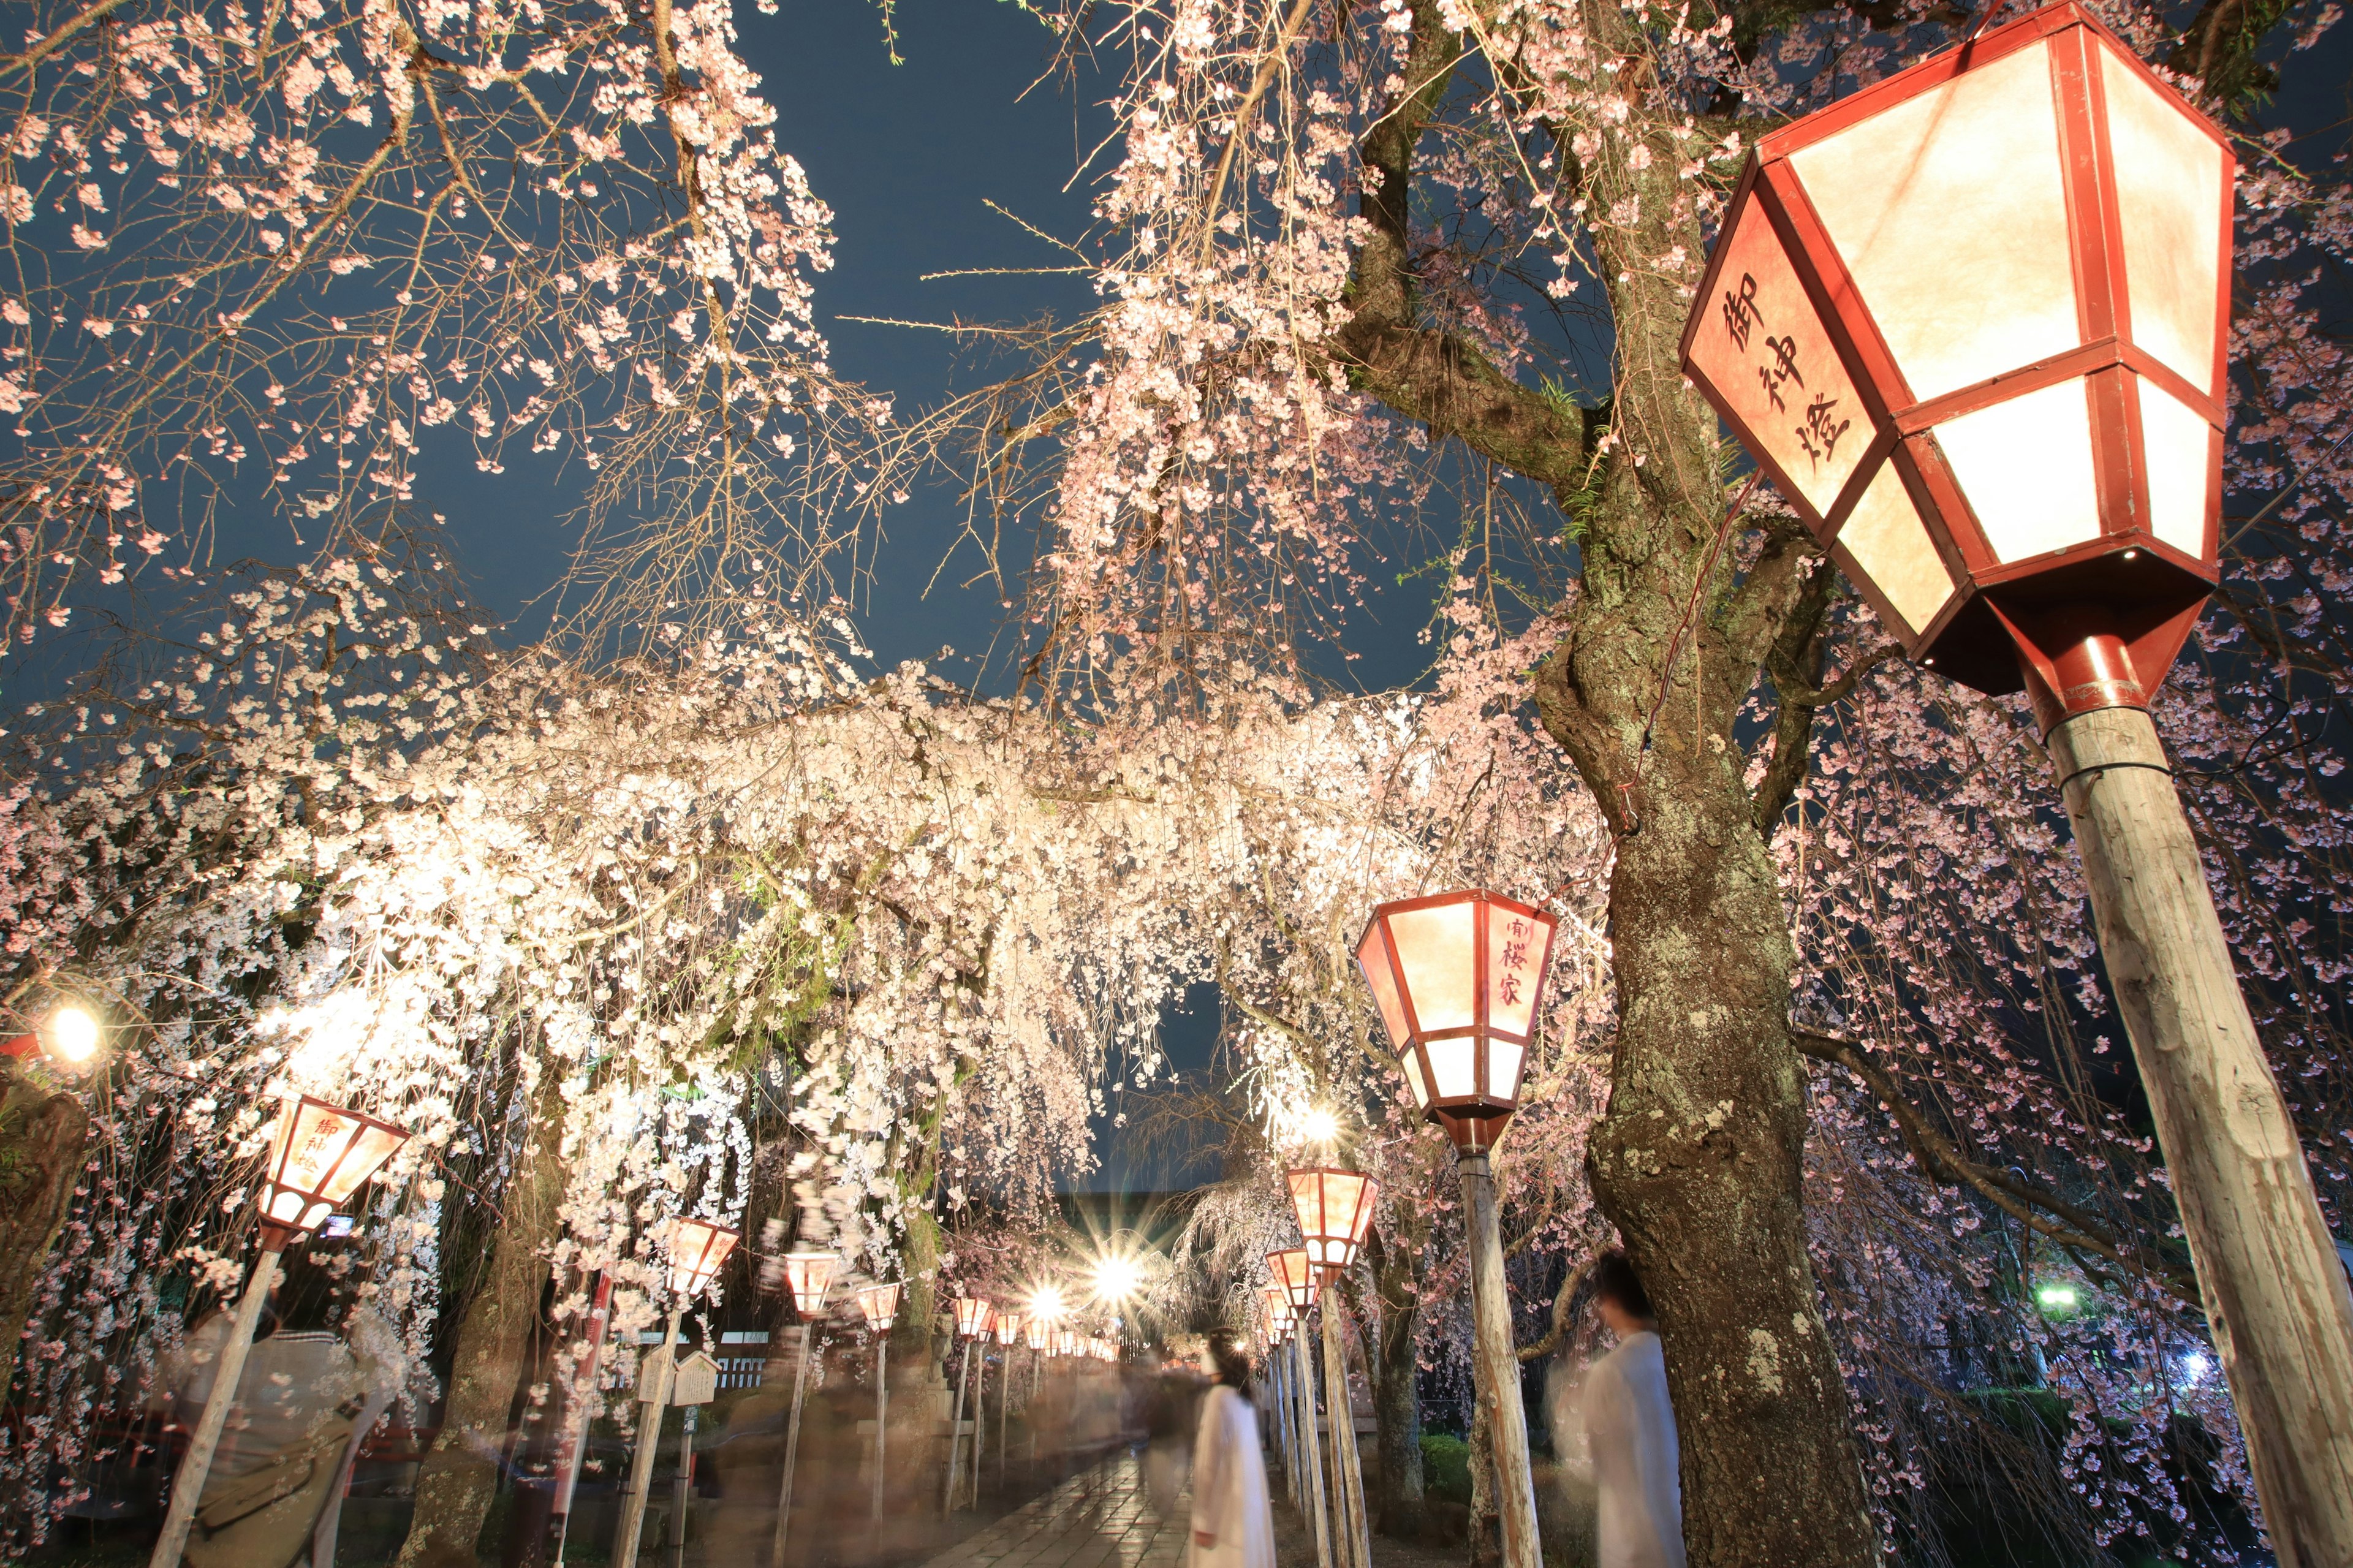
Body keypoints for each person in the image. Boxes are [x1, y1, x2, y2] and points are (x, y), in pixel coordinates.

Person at [1555, 1249, 1684, 1568]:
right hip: (1682, 1536)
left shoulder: (1613, 1373)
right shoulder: (1679, 1365)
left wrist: (1569, 1401)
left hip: (1634, 1543)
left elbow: (1586, 1463)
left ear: (1611, 1302)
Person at [1187, 1338, 1273, 1568]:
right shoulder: (1243, 1398)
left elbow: (1208, 1461)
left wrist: (1204, 1519)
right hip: (1246, 1510)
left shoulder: (1219, 1399)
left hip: (1224, 1514)